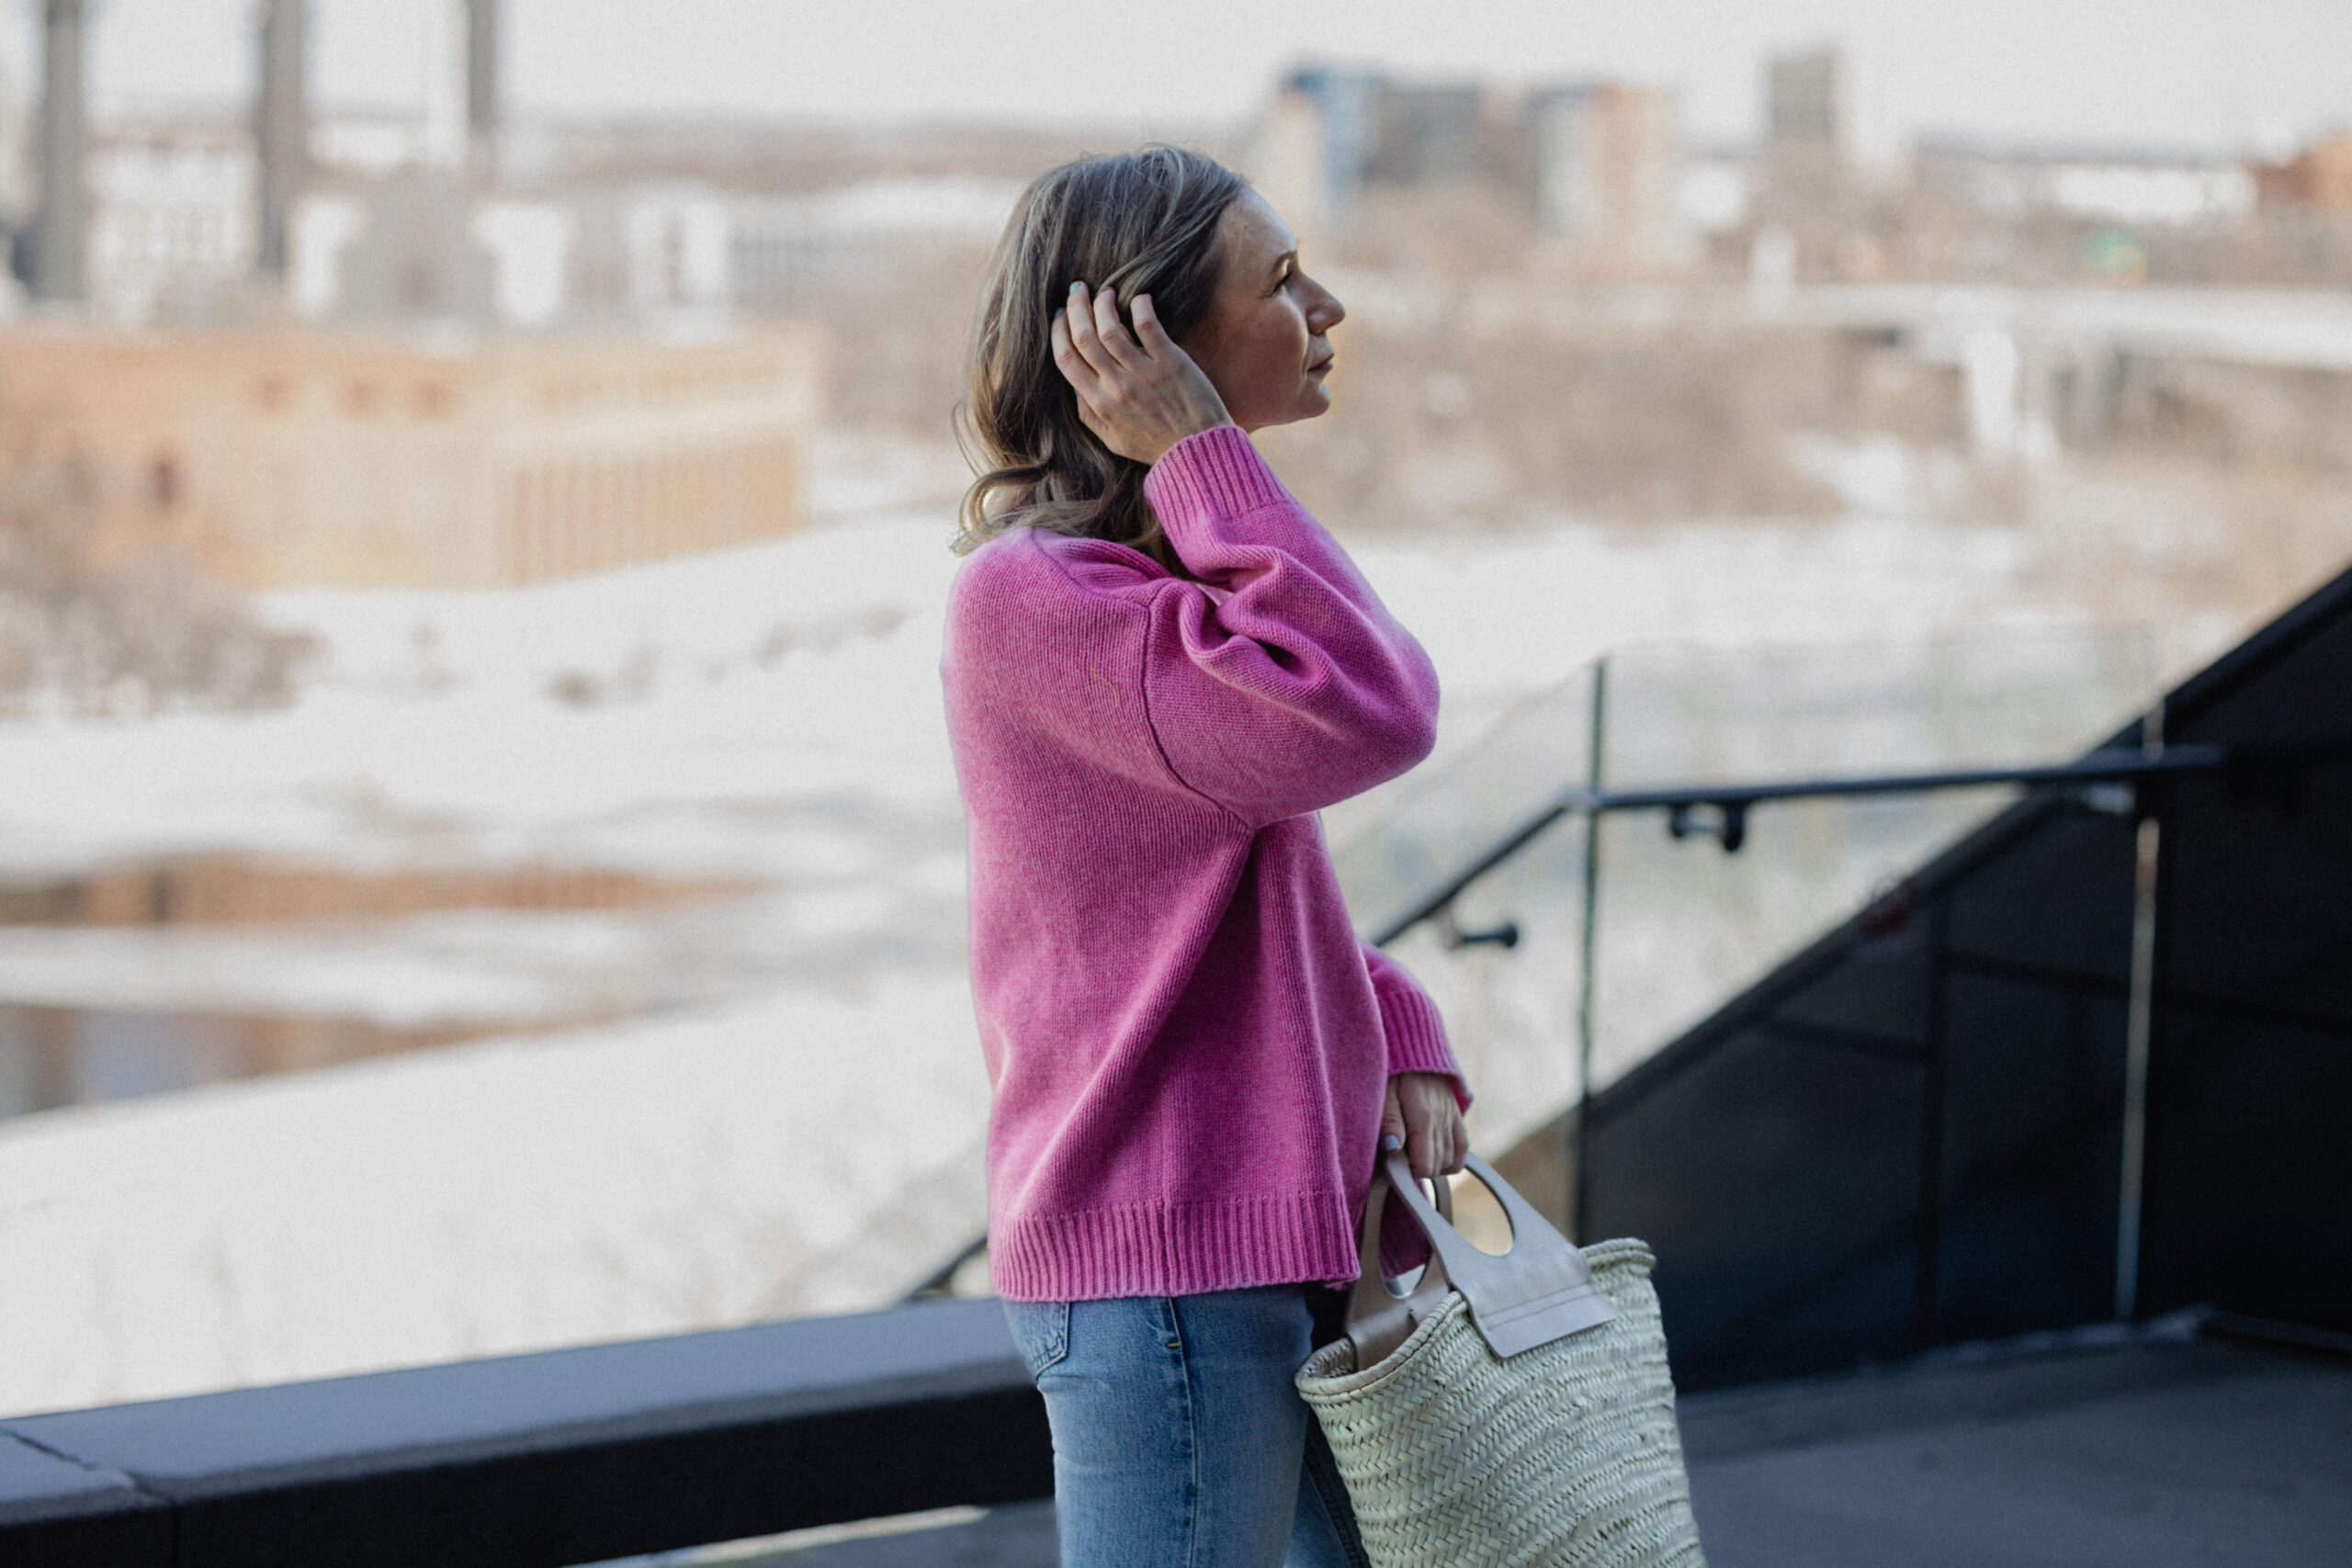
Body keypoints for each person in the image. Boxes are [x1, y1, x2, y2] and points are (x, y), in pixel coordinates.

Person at [942, 146, 1469, 1568]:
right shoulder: (1041, 603)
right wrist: (1198, 455)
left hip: (1266, 1250)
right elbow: (1372, 707)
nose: (1329, 308)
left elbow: (1204, 906)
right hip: (1167, 1276)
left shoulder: (1172, 583)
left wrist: (1391, 1020)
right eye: (1284, 281)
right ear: (1143, 339)